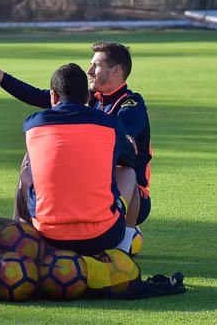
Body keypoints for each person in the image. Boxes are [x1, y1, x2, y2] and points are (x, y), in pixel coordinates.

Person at [0, 42, 151, 252]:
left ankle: (122, 248)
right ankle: (19, 231)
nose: (89, 71)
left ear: (116, 71)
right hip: (87, 188)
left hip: (129, 194)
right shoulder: (87, 99)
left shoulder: (131, 104)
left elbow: (125, 133)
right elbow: (35, 95)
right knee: (29, 158)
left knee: (126, 171)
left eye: (95, 65)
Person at [22, 63, 135, 255]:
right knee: (129, 172)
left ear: (54, 95)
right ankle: (121, 253)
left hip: (46, 235)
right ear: (87, 97)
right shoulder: (109, 124)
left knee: (26, 164)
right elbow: (129, 159)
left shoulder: (33, 124)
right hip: (101, 236)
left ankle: (22, 237)